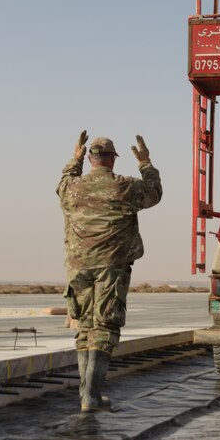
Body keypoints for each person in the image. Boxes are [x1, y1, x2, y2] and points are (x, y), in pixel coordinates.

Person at [57, 130, 162, 412]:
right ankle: (91, 397)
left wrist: (74, 159)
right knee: (104, 328)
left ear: (91, 159)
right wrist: (145, 162)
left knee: (84, 328)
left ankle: (85, 395)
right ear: (112, 160)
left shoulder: (73, 188)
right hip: (110, 267)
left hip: (77, 266)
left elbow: (63, 183)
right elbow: (154, 193)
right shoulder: (124, 187)